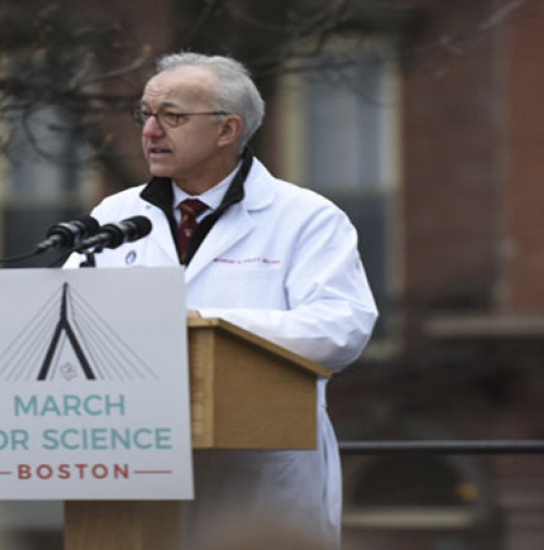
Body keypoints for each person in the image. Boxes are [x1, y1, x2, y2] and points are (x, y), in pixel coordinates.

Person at [67, 52, 378, 547]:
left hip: (257, 483)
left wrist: (203, 325)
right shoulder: (115, 214)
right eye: (145, 114)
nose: (150, 130)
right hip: (134, 473)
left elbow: (341, 328)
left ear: (227, 129)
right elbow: (70, 323)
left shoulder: (306, 218)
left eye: (172, 116)